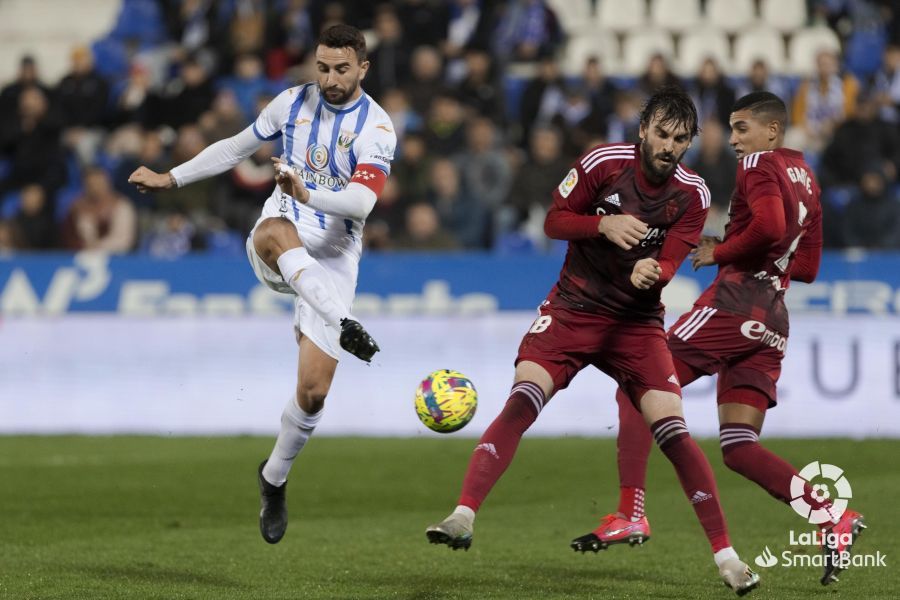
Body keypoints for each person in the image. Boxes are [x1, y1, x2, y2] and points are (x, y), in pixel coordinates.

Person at [426, 86, 760, 595]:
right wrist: (604, 224)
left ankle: (728, 558)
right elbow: (554, 221)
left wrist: (659, 269)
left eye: (680, 139)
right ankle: (463, 515)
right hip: (572, 310)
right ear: (643, 129)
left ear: (689, 141)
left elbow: (673, 257)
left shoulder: (693, 193)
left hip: (636, 324)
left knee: (674, 432)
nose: (670, 147)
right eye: (662, 134)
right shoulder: (603, 163)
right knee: (523, 399)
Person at [574, 92, 865, 586]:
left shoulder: (758, 163)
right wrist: (764, 262)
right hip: (773, 317)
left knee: (637, 385)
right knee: (738, 445)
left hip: (734, 304)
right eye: (731, 128)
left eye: (742, 127)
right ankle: (831, 517)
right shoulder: (808, 177)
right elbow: (810, 267)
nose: (733, 139)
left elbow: (770, 226)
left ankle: (630, 511)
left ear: (772, 130)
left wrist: (721, 251)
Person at [128, 24, 393, 544]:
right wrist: (170, 178)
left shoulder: (377, 128)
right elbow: (234, 147)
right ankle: (344, 323)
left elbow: (362, 204)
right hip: (280, 238)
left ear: (362, 68)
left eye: (341, 69)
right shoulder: (290, 103)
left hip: (335, 253)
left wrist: (308, 191)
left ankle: (272, 478)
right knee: (272, 228)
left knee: (313, 394)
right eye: (323, 67)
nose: (330, 78)